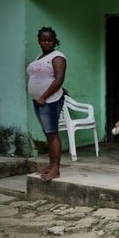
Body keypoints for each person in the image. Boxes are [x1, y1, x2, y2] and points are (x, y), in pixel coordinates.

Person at [27, 27, 67, 182]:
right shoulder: (40, 57)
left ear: (55, 40)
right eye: (43, 40)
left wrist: (44, 96)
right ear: (39, 41)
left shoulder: (57, 57)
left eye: (50, 40)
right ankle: (51, 165)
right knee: (48, 134)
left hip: (49, 101)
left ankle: (56, 169)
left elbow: (58, 79)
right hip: (39, 101)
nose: (47, 43)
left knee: (52, 134)